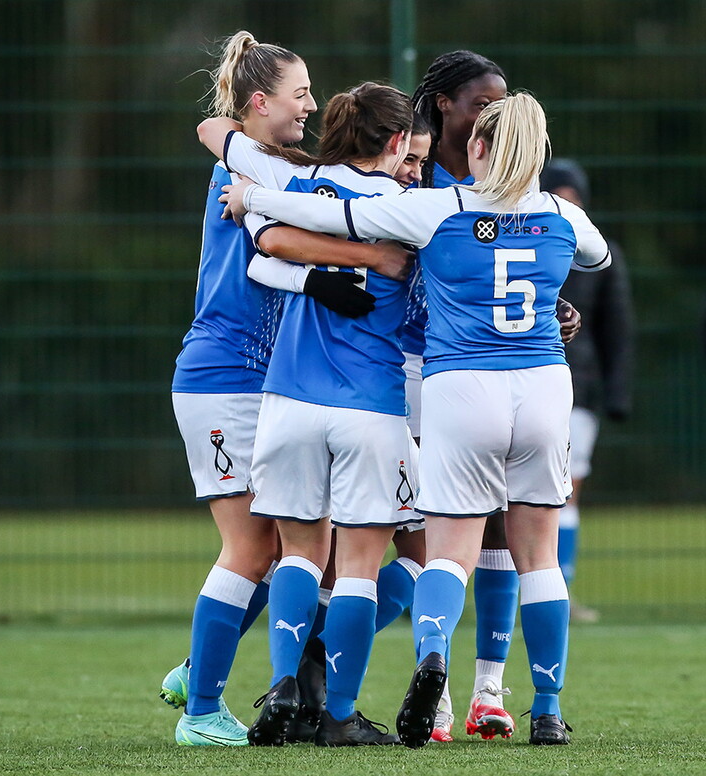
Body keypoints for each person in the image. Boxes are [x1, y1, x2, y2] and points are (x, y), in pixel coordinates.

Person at [223, 91, 610, 748]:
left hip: (462, 390)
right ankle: (546, 709)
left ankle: (433, 657)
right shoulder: (563, 215)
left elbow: (339, 218)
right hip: (544, 387)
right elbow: (596, 259)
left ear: (478, 149)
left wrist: (253, 201)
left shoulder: (440, 206)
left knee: (449, 555)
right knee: (537, 557)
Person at [165, 31, 409, 747]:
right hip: (227, 373)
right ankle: (201, 704)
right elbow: (274, 239)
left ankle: (237, 678)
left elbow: (221, 134)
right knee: (253, 551)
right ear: (260, 102)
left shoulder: (271, 164)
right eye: (299, 94)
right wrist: (367, 260)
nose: (309, 104)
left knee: (308, 553)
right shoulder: (254, 171)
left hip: (264, 380)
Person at [405, 51, 581, 743]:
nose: (495, 114)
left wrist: (554, 306)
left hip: (465, 377)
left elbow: (533, 265)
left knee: (492, 535)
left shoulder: (500, 179)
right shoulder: (415, 173)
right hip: (415, 365)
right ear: (445, 106)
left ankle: (483, 690)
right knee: (419, 540)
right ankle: (446, 694)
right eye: (482, 102)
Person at [541, 159, 634, 623]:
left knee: (564, 491)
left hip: (580, 388)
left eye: (574, 197)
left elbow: (618, 330)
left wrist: (616, 394)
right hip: (521, 381)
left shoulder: (602, 255)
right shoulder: (526, 241)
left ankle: (560, 588)